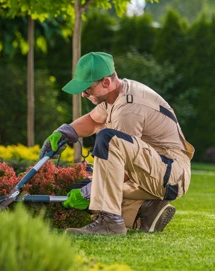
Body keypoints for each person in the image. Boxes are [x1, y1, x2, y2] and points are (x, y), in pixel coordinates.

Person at [39, 52, 194, 235]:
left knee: (107, 142)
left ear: (105, 82)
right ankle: (148, 210)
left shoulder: (128, 109)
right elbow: (93, 120)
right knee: (87, 185)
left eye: (87, 88)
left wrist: (89, 193)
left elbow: (123, 169)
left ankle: (110, 222)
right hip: (154, 169)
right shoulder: (114, 94)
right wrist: (64, 133)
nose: (83, 94)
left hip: (170, 173)